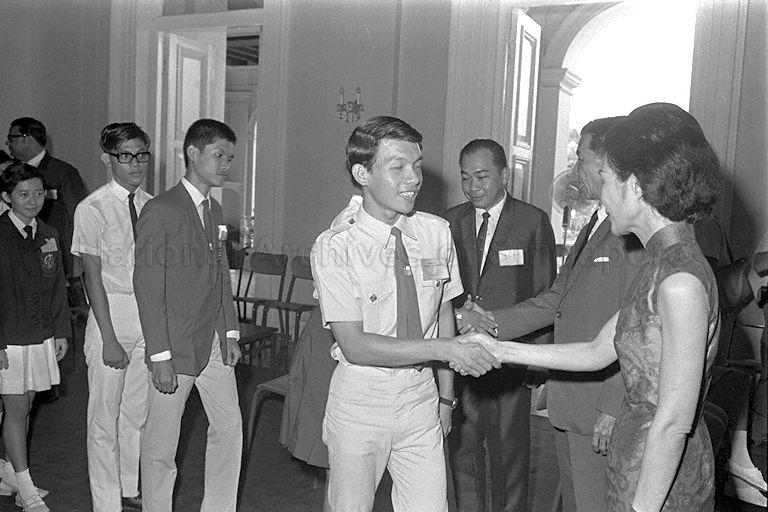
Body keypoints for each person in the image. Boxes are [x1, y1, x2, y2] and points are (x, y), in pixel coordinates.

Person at [466, 103, 723, 512]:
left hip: (659, 476)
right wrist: (496, 349)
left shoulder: (679, 280)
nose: (599, 190)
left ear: (635, 186)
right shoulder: (662, 261)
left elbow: (673, 424)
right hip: (635, 455)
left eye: (606, 178)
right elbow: (597, 351)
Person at [310, 116, 500, 512]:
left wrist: (446, 400)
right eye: (397, 167)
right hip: (362, 398)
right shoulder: (335, 247)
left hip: (421, 399)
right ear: (362, 173)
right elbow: (356, 346)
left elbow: (444, 312)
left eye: (416, 165)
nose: (413, 178)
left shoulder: (436, 232)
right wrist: (447, 349)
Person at [463, 117, 641, 512]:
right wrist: (486, 321)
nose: (574, 168)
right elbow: (555, 299)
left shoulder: (629, 234)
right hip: (572, 400)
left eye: (581, 158)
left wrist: (614, 406)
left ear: (606, 163)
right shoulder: (596, 224)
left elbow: (635, 325)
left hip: (599, 404)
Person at [133, 119, 242, 512]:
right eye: (219, 155)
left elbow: (221, 278)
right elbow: (146, 289)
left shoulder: (213, 209)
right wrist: (159, 356)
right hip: (175, 347)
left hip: (213, 341)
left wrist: (230, 333)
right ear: (193, 154)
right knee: (161, 446)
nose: (226, 164)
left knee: (230, 430)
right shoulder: (161, 210)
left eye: (230, 157)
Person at [442, 138, 555, 512]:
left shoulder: (532, 221)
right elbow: (440, 289)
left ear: (504, 175)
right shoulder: (449, 222)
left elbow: (545, 295)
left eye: (482, 176)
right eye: (465, 178)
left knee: (510, 460)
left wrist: (538, 365)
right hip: (460, 358)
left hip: (510, 360)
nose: (473, 187)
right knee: (463, 456)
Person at [71, 123, 153, 512]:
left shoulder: (153, 205)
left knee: (137, 411)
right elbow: (92, 277)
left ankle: (127, 486)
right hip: (111, 313)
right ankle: (106, 503)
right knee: (104, 416)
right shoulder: (93, 208)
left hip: (147, 315)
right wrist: (107, 337)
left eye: (141, 154)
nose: (136, 163)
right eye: (125, 155)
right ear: (108, 158)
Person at [0, 163, 69, 512]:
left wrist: (61, 331)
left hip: (40, 334)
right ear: (6, 197)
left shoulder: (49, 233)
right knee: (14, 407)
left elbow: (58, 288)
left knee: (26, 403)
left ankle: (11, 471)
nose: (32, 201)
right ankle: (25, 488)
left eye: (38, 193)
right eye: (23, 195)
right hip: (8, 337)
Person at [6, 118, 88, 279]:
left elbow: (79, 218)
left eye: (11, 138)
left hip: (54, 258)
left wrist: (75, 265)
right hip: (16, 256)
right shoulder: (10, 173)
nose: (7, 143)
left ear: (26, 138)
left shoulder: (62, 172)